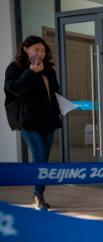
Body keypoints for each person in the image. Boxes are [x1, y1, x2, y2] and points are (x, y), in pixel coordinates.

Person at [4, 36, 62, 211]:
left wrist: (62, 102)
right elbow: (14, 89)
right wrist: (30, 72)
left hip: (48, 120)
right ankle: (38, 196)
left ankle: (39, 195)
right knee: (41, 155)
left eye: (43, 50)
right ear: (25, 49)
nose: (41, 53)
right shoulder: (15, 68)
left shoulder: (49, 69)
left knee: (43, 158)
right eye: (36, 49)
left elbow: (54, 91)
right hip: (28, 121)